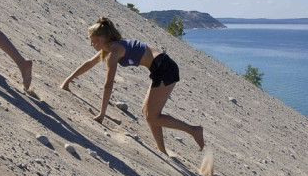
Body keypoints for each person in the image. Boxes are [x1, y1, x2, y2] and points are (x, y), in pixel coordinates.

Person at [61, 17, 203, 154]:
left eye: (93, 41)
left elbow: (108, 85)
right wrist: (67, 80)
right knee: (147, 113)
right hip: (160, 67)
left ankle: (193, 130)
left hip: (164, 68)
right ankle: (162, 150)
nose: (91, 44)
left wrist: (102, 114)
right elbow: (89, 63)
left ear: (101, 40)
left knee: (152, 116)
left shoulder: (114, 52)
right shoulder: (111, 48)